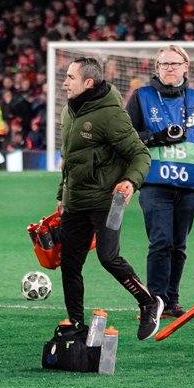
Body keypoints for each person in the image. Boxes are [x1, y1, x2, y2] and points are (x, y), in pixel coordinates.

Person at [58, 54, 161, 339]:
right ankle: (76, 323)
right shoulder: (69, 112)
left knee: (108, 257)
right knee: (69, 263)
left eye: (71, 77)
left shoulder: (111, 114)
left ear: (88, 82)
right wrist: (61, 194)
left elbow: (140, 154)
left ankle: (149, 301)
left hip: (107, 201)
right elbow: (69, 159)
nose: (65, 82)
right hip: (75, 201)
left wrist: (130, 181)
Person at [125, 44, 194, 318]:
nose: (170, 68)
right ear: (157, 68)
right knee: (161, 242)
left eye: (175, 63)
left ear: (186, 67)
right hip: (155, 185)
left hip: (188, 187)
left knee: (179, 246)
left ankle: (171, 301)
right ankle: (155, 301)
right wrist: (155, 137)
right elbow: (125, 137)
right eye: (164, 64)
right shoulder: (141, 97)